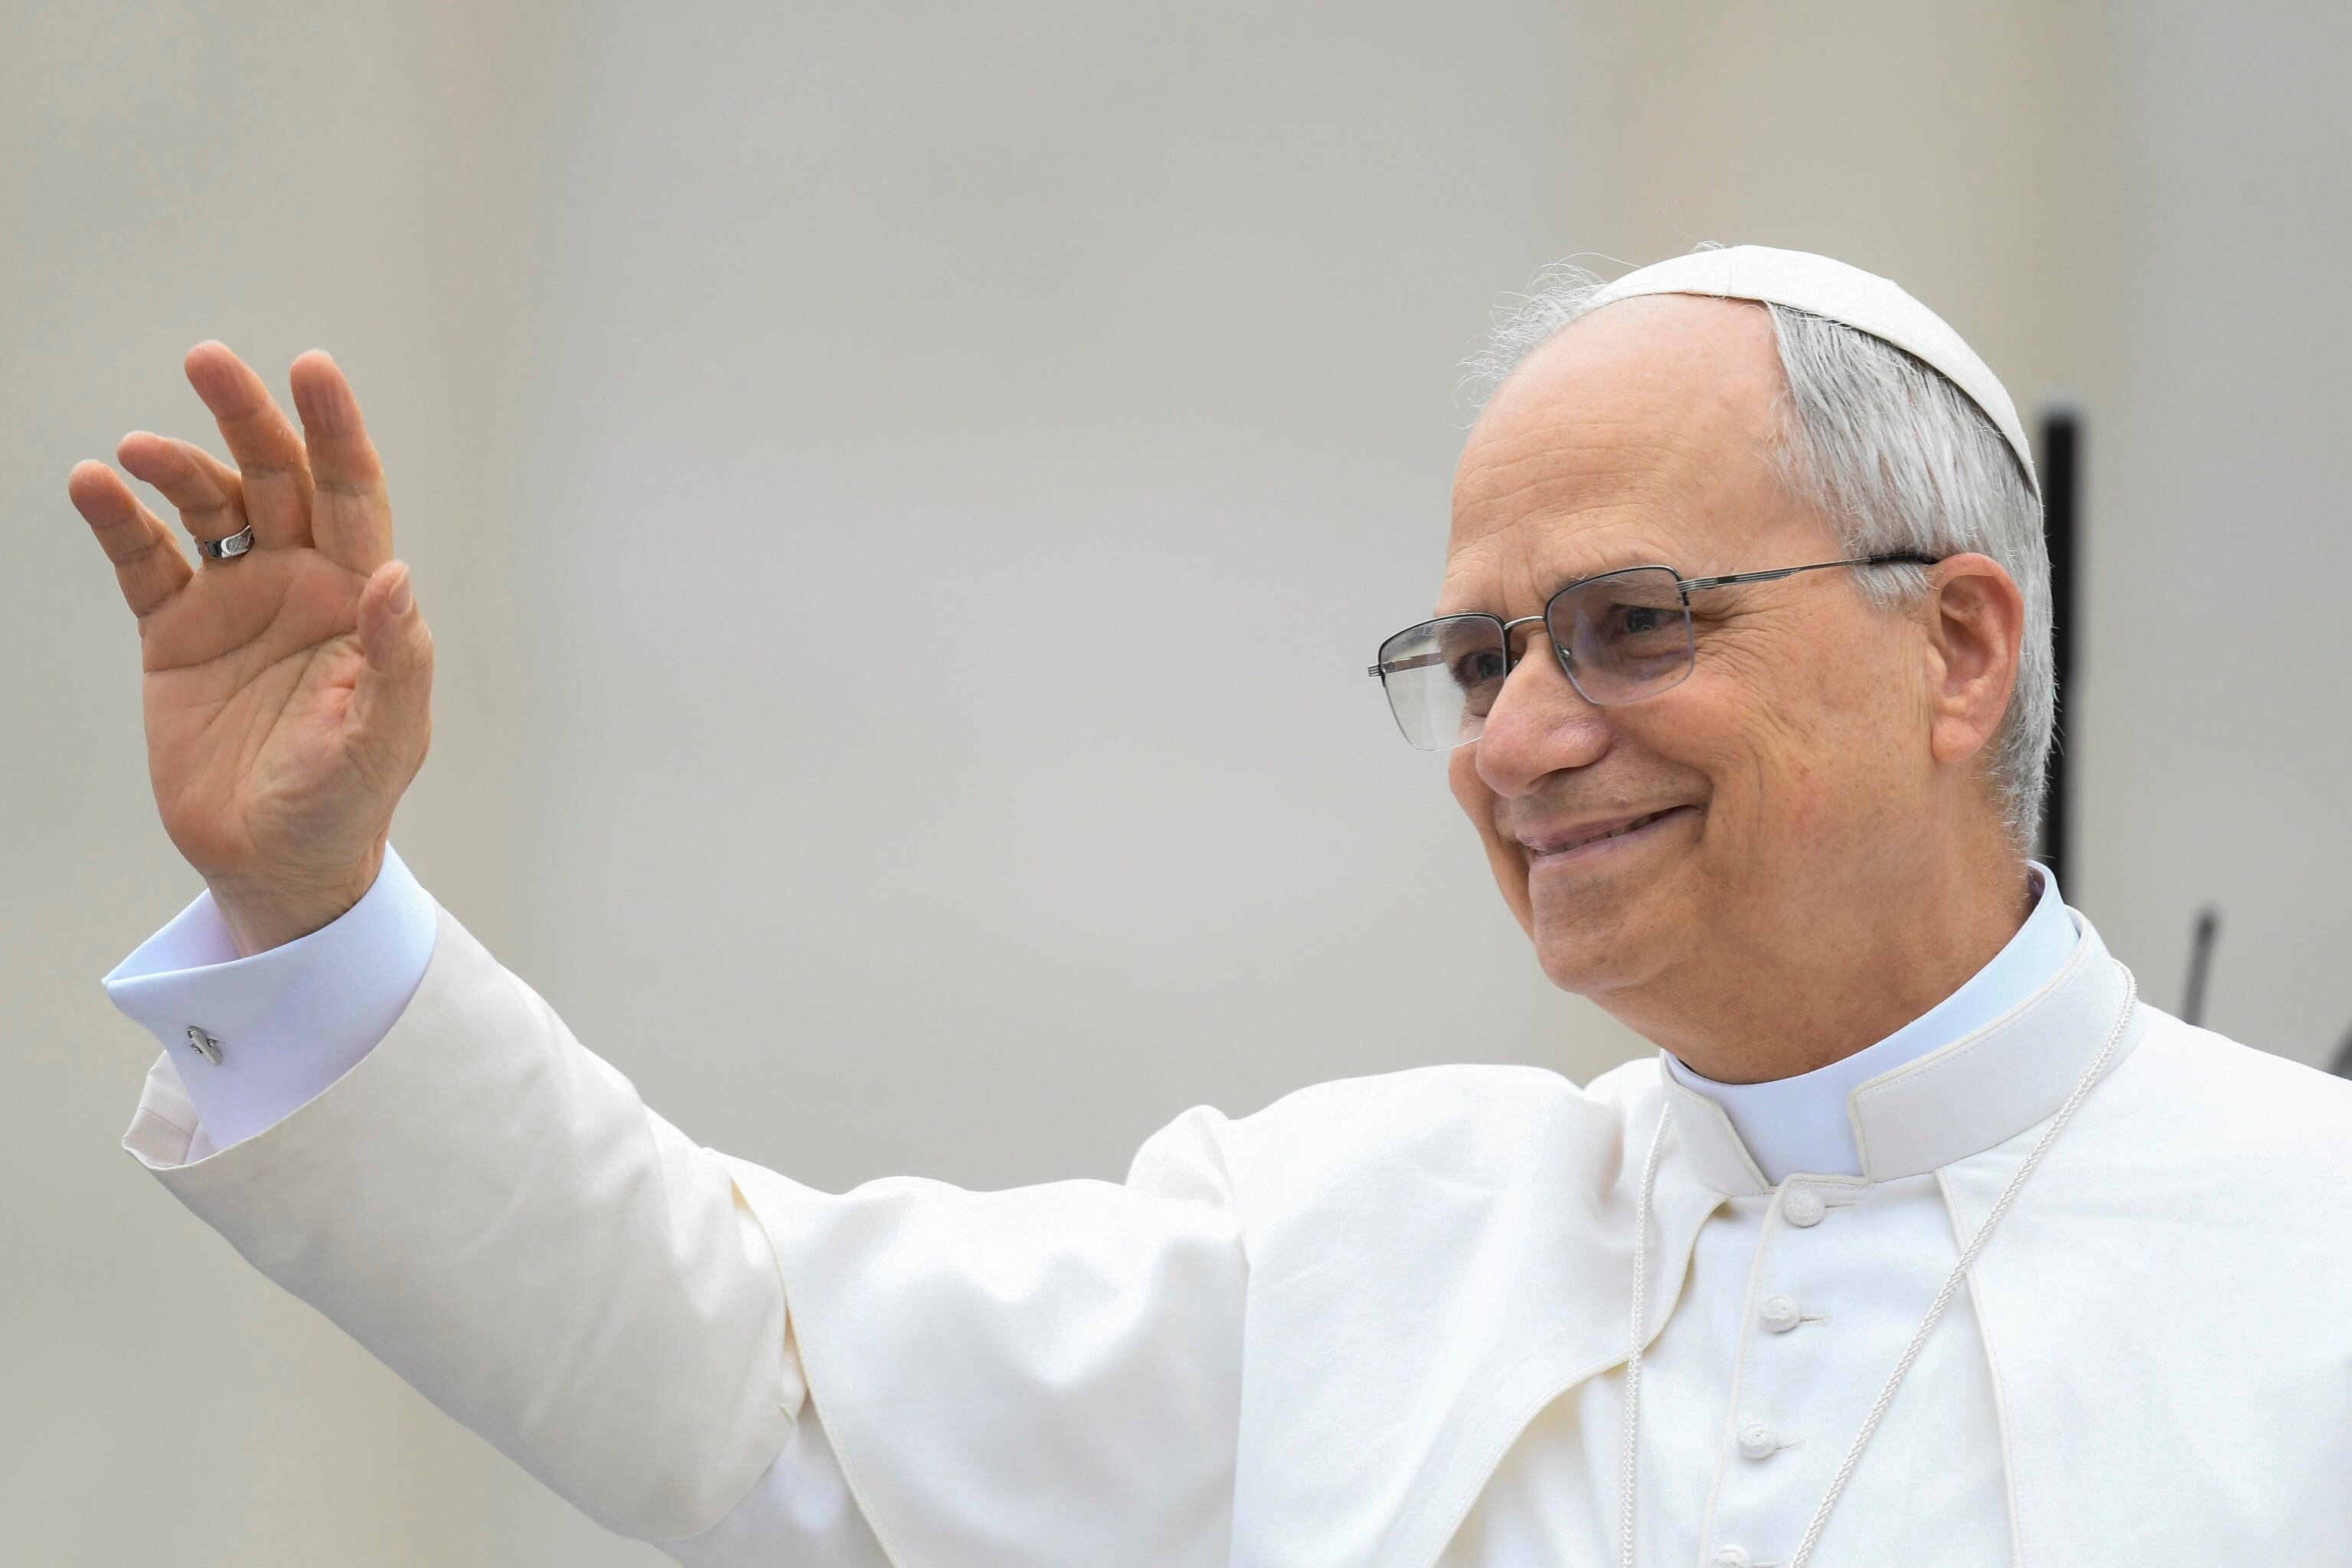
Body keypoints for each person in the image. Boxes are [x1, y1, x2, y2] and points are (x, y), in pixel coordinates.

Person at [74, 245, 2352, 1568]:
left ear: (1959, 647)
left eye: (1633, 624)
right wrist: (317, 903)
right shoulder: (1360, 1236)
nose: (1522, 739)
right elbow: (745, 1377)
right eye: (1476, 662)